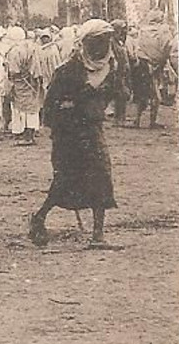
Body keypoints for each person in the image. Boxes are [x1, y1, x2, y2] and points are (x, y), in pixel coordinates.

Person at [30, 20, 119, 248]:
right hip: (69, 136)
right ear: (86, 43)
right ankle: (39, 217)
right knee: (65, 180)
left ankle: (98, 235)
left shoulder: (111, 68)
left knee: (101, 176)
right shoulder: (67, 71)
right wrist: (77, 102)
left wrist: (98, 99)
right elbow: (49, 109)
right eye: (98, 41)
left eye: (106, 41)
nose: (102, 46)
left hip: (92, 131)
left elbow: (117, 93)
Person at [128, 9, 175, 128]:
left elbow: (139, 48)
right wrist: (160, 61)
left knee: (141, 94)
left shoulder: (143, 31)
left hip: (142, 65)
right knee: (155, 95)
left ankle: (138, 120)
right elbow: (167, 47)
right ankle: (151, 121)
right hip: (152, 66)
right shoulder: (164, 31)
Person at [4, 25, 43, 145]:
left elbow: (14, 70)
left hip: (20, 81)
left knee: (19, 108)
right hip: (33, 80)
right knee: (32, 106)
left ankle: (22, 133)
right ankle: (30, 131)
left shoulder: (15, 50)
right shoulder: (33, 47)